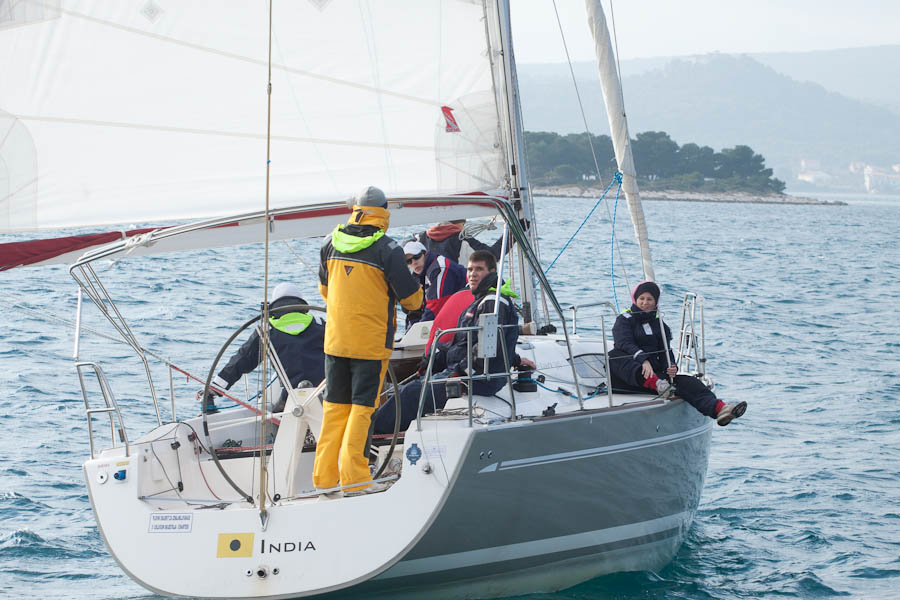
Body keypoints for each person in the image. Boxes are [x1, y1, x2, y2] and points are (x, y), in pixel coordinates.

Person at [313, 186, 423, 495]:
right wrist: (418, 301)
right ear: (384, 213)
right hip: (369, 346)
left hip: (335, 342)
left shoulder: (328, 243)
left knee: (335, 408)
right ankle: (356, 479)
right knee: (362, 410)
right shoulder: (387, 250)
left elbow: (325, 290)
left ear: (356, 210)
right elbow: (411, 299)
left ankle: (324, 479)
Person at [373, 250, 534, 435]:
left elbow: (488, 348)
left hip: (477, 379)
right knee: (406, 389)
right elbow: (466, 343)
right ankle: (380, 429)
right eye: (470, 269)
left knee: (411, 393)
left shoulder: (492, 303)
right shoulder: (480, 301)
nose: (472, 274)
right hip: (468, 373)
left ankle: (372, 434)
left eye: (479, 269)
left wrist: (460, 373)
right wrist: (434, 359)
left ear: (491, 272)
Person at [608, 281, 747, 426]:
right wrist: (643, 360)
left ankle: (720, 410)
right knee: (614, 355)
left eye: (649, 299)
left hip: (658, 380)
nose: (645, 303)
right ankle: (657, 384)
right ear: (635, 299)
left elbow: (666, 352)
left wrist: (671, 366)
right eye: (641, 298)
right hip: (629, 377)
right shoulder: (623, 320)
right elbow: (624, 342)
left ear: (656, 302)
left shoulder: (661, 325)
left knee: (689, 382)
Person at [200, 282, 325, 414]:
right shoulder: (321, 324)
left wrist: (215, 388)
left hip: (290, 397)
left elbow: (242, 360)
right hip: (326, 394)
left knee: (279, 414)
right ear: (302, 305)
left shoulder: (267, 330)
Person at [402, 240, 467, 327]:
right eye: (409, 261)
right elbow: (416, 309)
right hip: (451, 313)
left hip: (463, 313)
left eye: (417, 257)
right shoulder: (418, 275)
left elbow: (436, 305)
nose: (414, 263)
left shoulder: (439, 268)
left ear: (425, 254)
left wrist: (418, 329)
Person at [410, 219, 505, 266]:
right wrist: (511, 233)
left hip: (427, 299)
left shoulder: (420, 238)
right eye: (464, 225)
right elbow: (492, 256)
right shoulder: (462, 239)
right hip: (455, 297)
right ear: (460, 224)